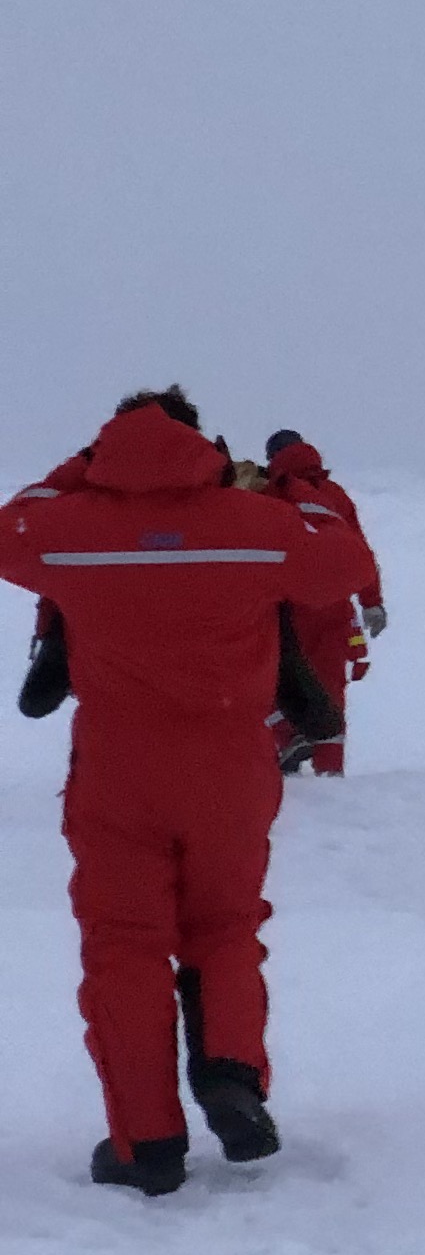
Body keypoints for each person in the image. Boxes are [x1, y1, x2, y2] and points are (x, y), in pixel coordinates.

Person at [0, 389, 345, 1193]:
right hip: (229, 764)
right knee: (225, 929)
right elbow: (346, 558)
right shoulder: (256, 528)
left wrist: (83, 472)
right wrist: (286, 489)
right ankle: (229, 1070)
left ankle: (145, 1143)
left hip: (120, 771)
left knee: (124, 947)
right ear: (205, 445)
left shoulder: (67, 528)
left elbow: (11, 522)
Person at [262, 431, 384, 777]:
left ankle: (288, 741)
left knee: (268, 681)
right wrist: (372, 601)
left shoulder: (271, 494)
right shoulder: (335, 496)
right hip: (334, 608)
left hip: (287, 608)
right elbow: (358, 550)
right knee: (330, 692)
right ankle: (330, 776)